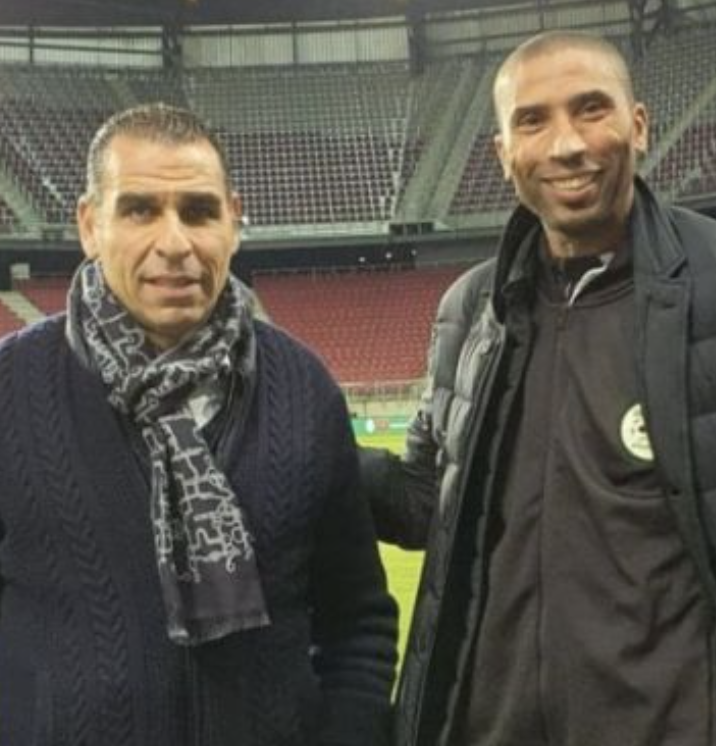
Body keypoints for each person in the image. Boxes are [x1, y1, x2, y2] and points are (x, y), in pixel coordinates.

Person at [0, 103, 397, 746]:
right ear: (90, 225)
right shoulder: (12, 387)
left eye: (199, 211)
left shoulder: (303, 387)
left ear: (233, 221)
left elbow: (357, 622)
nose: (175, 243)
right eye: (140, 211)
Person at [362, 30, 716, 746]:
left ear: (638, 125)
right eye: (532, 121)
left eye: (591, 109)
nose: (567, 145)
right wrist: (308, 440)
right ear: (503, 153)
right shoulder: (472, 307)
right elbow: (429, 501)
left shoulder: (708, 281)